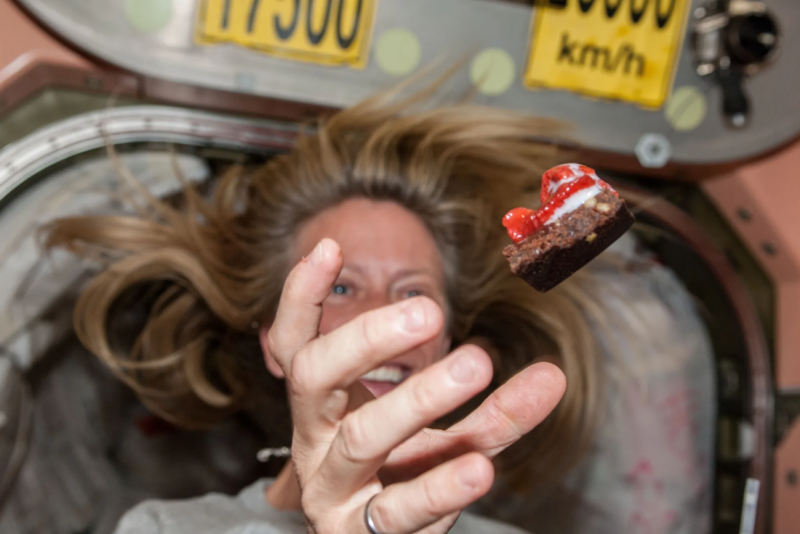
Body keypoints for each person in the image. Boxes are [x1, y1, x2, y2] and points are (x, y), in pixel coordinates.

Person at [43, 80, 613, 534]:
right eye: (340, 287)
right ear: (275, 341)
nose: (380, 320)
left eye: (412, 292)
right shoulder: (162, 529)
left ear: (447, 350)